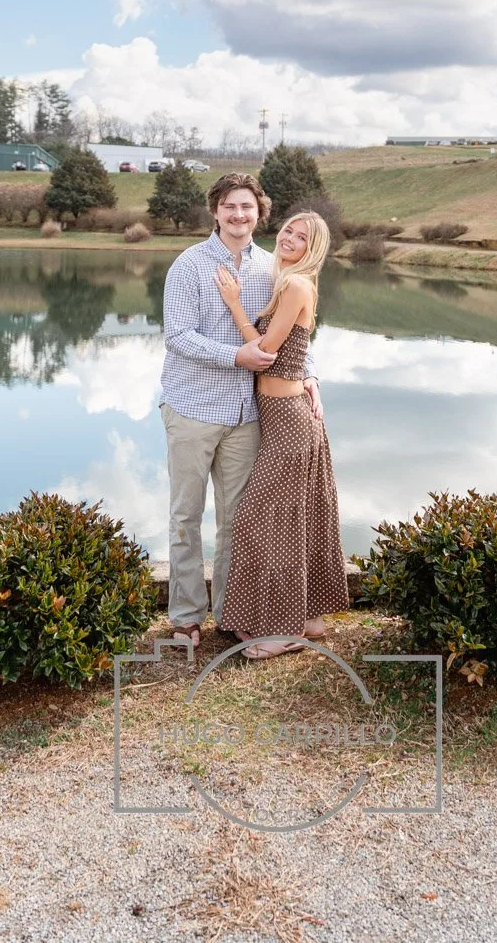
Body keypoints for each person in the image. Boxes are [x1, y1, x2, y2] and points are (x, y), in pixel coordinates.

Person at [159, 173, 322, 649]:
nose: (238, 215)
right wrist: (235, 356)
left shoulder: (275, 268)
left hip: (249, 414)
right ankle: (186, 616)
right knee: (185, 516)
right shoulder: (188, 266)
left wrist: (310, 376)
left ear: (259, 213)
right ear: (216, 211)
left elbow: (295, 335)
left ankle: (234, 612)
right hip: (192, 407)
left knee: (238, 520)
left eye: (247, 207)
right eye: (230, 206)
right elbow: (178, 336)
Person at [214, 210, 350, 659]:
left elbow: (266, 351)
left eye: (302, 235)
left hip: (290, 420)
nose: (290, 237)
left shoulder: (295, 285)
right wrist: (313, 378)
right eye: (288, 230)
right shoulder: (287, 281)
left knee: (262, 517)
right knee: (297, 515)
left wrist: (234, 303)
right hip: (281, 414)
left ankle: (282, 631)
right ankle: (308, 617)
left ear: (314, 247)